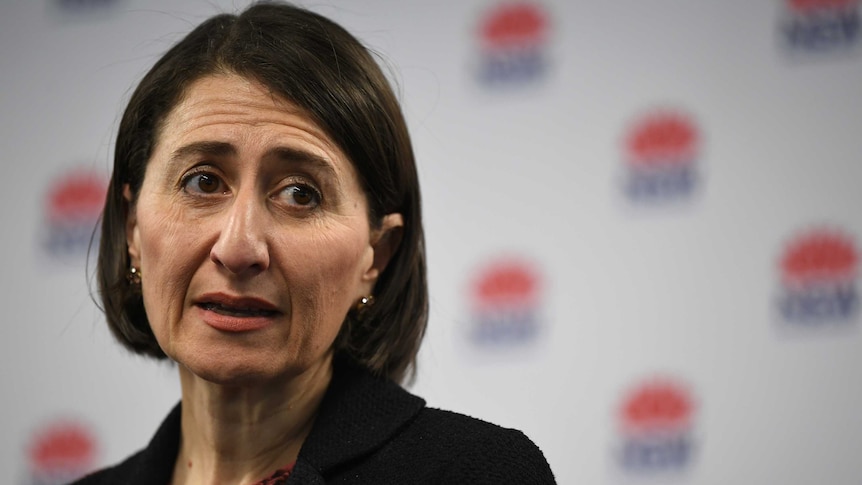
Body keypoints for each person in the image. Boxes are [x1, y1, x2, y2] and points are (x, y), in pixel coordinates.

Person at [73, 2, 555, 484]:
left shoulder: (473, 474)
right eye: (202, 183)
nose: (239, 249)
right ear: (132, 228)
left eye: (300, 194)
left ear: (376, 255)